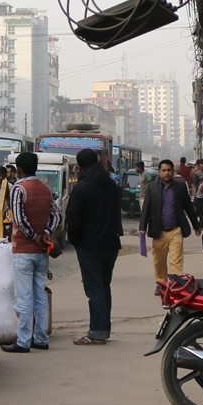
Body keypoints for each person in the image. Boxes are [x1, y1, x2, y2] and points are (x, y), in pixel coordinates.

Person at [2, 151, 61, 353]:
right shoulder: (45, 188)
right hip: (41, 252)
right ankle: (41, 338)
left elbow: (18, 218)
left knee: (24, 298)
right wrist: (45, 232)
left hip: (23, 251)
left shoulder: (19, 188)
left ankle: (23, 341)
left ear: (18, 170)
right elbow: (56, 215)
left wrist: (32, 235)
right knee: (40, 295)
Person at [65, 148, 121, 345]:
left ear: (79, 166)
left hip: (89, 245)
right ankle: (103, 329)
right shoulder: (111, 185)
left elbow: (73, 218)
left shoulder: (82, 187)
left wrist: (75, 240)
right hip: (111, 244)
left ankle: (97, 332)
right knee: (104, 287)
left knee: (94, 289)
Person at [139, 158, 199, 282]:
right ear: (159, 172)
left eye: (169, 170)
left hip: (176, 230)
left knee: (176, 260)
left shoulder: (180, 187)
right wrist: (142, 229)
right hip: (158, 231)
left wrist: (196, 225)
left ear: (173, 171)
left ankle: (174, 284)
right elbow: (146, 209)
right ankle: (161, 283)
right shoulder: (152, 188)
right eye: (164, 170)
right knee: (159, 261)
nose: (166, 173)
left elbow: (188, 207)